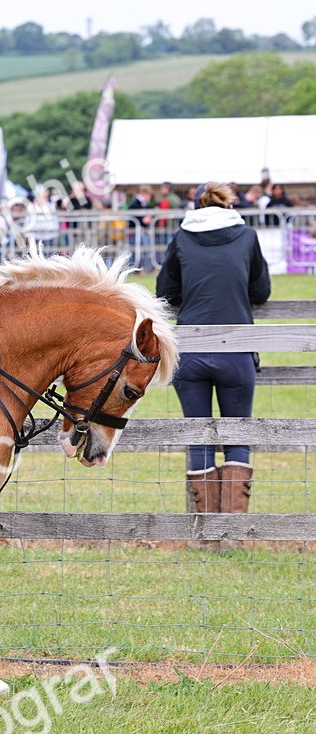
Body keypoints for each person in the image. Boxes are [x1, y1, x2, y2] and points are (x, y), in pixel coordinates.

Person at [156, 182, 271, 514]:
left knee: (198, 437)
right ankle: (232, 531)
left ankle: (205, 531)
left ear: (194, 209)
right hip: (236, 351)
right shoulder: (247, 237)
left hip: (190, 351)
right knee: (237, 437)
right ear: (229, 206)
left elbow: (166, 291)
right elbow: (261, 291)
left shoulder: (182, 237)